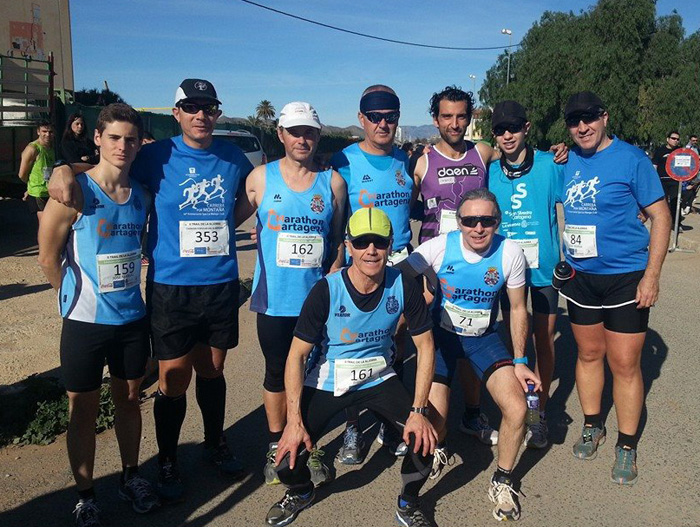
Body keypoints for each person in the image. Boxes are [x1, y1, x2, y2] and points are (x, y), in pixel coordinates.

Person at [49, 78, 254, 502]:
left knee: (213, 369)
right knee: (172, 378)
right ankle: (168, 460)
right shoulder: (155, 156)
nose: (201, 115)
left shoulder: (234, 157)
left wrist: (227, 225)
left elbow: (254, 194)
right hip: (171, 287)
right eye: (191, 107)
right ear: (176, 113)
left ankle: (214, 444)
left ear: (217, 113)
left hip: (219, 283)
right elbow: (109, 169)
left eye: (209, 107)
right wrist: (63, 168)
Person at [265, 207, 437, 527]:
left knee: (424, 440)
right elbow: (296, 356)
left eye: (379, 242)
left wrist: (419, 410)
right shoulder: (326, 290)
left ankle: (408, 503)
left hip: (378, 377)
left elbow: (426, 347)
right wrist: (293, 421)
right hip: (330, 379)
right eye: (361, 242)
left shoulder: (404, 285)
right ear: (348, 245)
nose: (371, 250)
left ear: (390, 245)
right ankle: (301, 491)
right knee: (286, 461)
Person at [38, 103, 159, 527]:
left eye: (130, 139)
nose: (122, 146)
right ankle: (85, 495)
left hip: (130, 321)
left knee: (130, 400)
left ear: (139, 144)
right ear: (97, 139)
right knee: (83, 411)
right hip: (84, 322)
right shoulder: (73, 192)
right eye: (114, 138)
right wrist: (70, 299)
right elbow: (48, 257)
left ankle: (130, 476)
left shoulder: (142, 195)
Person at [399, 188, 539, 521]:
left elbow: (518, 309)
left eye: (486, 221)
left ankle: (503, 479)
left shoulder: (510, 253)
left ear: (497, 222)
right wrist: (414, 308)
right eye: (470, 220)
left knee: (518, 408)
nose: (478, 228)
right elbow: (398, 276)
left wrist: (521, 361)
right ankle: (437, 450)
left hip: (483, 340)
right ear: (459, 222)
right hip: (442, 340)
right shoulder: (438, 247)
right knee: (434, 423)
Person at [560, 91, 671, 485]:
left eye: (589, 118)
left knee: (624, 364)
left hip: (626, 277)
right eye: (574, 121)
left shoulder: (631, 159)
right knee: (589, 354)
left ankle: (626, 443)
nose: (582, 127)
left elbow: (661, 216)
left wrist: (652, 276)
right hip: (580, 277)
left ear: (605, 118)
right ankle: (593, 424)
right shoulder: (566, 160)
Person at [234, 101, 347, 485]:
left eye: (309, 132)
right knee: (276, 373)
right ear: (281, 134)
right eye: (295, 131)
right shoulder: (260, 179)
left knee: (313, 374)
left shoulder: (332, 183)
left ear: (318, 135)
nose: (302, 139)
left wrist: (335, 271)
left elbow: (337, 239)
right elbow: (225, 223)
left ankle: (307, 442)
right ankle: (275, 444)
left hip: (315, 301)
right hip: (274, 299)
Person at [330, 85, 416, 462]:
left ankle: (389, 421)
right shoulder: (343, 161)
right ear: (361, 119)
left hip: (399, 262)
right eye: (375, 117)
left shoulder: (406, 160)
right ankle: (352, 426)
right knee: (355, 345)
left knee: (396, 342)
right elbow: (331, 215)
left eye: (390, 117)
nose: (383, 124)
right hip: (360, 262)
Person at [411, 86, 500, 448]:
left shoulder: (483, 152)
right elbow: (405, 206)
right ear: (435, 120)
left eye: (461, 116)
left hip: (478, 263)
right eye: (447, 116)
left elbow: (521, 158)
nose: (454, 123)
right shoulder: (421, 161)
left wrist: (555, 154)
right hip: (435, 267)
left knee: (473, 335)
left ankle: (472, 414)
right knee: (433, 343)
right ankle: (427, 423)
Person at [487, 100, 565, 449]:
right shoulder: (491, 171)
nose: (507, 135)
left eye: (514, 128)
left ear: (527, 128)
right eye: (500, 130)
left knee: (543, 341)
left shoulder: (551, 164)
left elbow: (581, 195)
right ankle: (516, 409)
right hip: (507, 271)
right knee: (512, 342)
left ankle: (539, 413)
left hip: (543, 270)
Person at [18, 119, 55, 221]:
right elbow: (22, 174)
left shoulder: (51, 148)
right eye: (44, 131)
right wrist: (31, 187)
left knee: (52, 223)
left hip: (50, 191)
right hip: (38, 193)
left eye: (50, 132)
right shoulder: (33, 149)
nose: (47, 135)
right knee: (44, 222)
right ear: (38, 132)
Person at [651, 131, 682, 216]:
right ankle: (664, 219)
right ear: (668, 139)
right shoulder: (660, 150)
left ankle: (676, 220)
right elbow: (654, 165)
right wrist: (654, 179)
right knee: (663, 203)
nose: (675, 140)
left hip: (675, 180)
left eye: (677, 139)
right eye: (673, 138)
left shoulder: (680, 150)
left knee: (675, 202)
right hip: (662, 180)